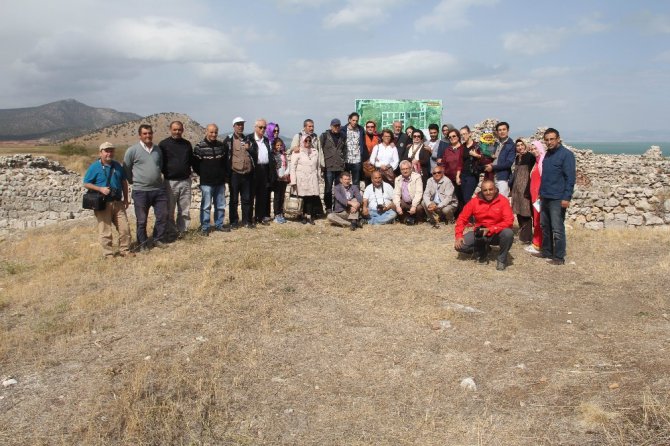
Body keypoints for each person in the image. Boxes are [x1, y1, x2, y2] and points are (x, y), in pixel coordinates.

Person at [123, 124, 169, 250]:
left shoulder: (157, 150)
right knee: (142, 220)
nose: (147, 135)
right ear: (140, 135)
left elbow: (160, 165)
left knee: (163, 215)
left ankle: (158, 238)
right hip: (140, 191)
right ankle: (142, 243)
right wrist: (132, 181)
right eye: (144, 133)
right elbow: (126, 168)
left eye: (149, 133)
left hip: (158, 189)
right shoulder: (132, 150)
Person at [83, 142, 132, 258]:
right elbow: (86, 183)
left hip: (118, 202)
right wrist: (100, 188)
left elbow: (124, 182)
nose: (109, 153)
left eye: (111, 151)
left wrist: (126, 198)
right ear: (100, 153)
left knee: (124, 228)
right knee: (105, 231)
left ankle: (125, 250)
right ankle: (108, 254)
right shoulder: (94, 167)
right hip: (103, 203)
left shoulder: (117, 166)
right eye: (106, 151)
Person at [454, 180, 514, 271]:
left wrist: (491, 229)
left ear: (495, 189)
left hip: (497, 233)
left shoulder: (503, 201)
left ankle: (501, 259)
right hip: (480, 234)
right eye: (485, 190)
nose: (488, 192)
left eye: (491, 189)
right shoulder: (474, 202)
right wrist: (458, 235)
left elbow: (509, 221)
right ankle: (482, 250)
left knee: (508, 233)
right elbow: (462, 218)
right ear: (481, 191)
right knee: (460, 246)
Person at [537, 128, 576, 265]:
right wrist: (540, 193)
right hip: (545, 196)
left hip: (557, 198)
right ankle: (547, 252)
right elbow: (545, 177)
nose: (549, 142)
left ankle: (559, 257)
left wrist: (566, 198)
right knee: (544, 226)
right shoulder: (547, 155)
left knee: (557, 228)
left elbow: (570, 178)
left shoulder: (566, 155)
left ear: (558, 139)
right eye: (547, 140)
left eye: (552, 139)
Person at [158, 121, 193, 239]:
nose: (177, 132)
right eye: (175, 129)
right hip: (170, 182)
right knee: (170, 209)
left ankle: (183, 231)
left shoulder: (187, 144)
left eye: (179, 130)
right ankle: (171, 232)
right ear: (170, 129)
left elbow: (191, 161)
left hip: (185, 181)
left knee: (184, 209)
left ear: (182, 130)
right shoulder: (163, 144)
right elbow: (160, 163)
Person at [193, 124, 229, 236]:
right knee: (206, 206)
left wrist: (223, 175)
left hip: (219, 182)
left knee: (220, 205)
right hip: (206, 182)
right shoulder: (199, 147)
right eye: (211, 132)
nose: (213, 134)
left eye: (215, 132)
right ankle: (205, 227)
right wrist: (204, 174)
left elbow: (224, 163)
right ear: (206, 132)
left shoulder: (221, 146)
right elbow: (195, 165)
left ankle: (219, 224)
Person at [223, 117, 255, 229]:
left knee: (247, 199)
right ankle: (234, 221)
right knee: (234, 200)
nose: (240, 126)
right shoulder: (229, 140)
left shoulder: (248, 139)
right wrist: (226, 175)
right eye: (238, 124)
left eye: (242, 124)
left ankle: (246, 221)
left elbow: (254, 153)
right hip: (235, 174)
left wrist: (249, 149)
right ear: (234, 126)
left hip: (247, 174)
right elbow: (225, 157)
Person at [249, 118, 276, 225]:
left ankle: (260, 217)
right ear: (255, 128)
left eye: (264, 127)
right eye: (260, 127)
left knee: (262, 195)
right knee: (251, 195)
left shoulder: (266, 140)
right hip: (253, 170)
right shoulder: (249, 139)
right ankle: (249, 218)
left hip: (264, 170)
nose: (263, 129)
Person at [290, 134, 320, 225]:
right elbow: (292, 167)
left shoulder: (315, 151)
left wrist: (318, 177)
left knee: (310, 197)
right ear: (302, 141)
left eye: (309, 141)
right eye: (305, 141)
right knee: (302, 197)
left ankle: (309, 216)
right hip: (301, 178)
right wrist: (293, 181)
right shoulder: (297, 152)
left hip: (312, 177)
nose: (307, 142)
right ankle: (302, 215)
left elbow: (318, 166)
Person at [510, 138, 535, 244]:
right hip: (516, 188)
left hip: (525, 188)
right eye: (518, 145)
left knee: (526, 212)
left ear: (525, 145)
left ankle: (527, 238)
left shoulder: (530, 157)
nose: (520, 147)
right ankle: (522, 234)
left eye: (522, 145)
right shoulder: (517, 157)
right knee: (519, 211)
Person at [319, 119, 347, 212]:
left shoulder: (343, 136)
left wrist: (344, 162)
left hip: (339, 166)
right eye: (335, 126)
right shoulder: (324, 136)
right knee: (328, 189)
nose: (337, 127)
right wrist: (322, 164)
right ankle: (328, 208)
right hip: (329, 166)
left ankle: (337, 208)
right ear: (331, 126)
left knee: (339, 189)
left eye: (338, 126)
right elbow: (320, 150)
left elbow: (345, 150)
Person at [484, 121, 515, 198]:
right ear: (497, 132)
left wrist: (493, 167)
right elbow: (487, 153)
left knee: (502, 200)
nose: (502, 132)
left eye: (504, 129)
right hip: (492, 176)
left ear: (508, 130)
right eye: (500, 130)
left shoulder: (511, 145)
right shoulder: (496, 144)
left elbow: (508, 163)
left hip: (503, 178)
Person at [526, 140, 546, 254]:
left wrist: (540, 195)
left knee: (538, 220)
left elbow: (544, 178)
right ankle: (537, 242)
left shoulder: (542, 161)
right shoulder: (537, 161)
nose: (534, 151)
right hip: (535, 196)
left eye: (535, 148)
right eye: (532, 149)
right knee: (537, 219)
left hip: (539, 196)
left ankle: (537, 244)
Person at [437, 128, 464, 211]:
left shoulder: (463, 148)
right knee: (452, 197)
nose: (452, 138)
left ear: (458, 137)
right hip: (449, 178)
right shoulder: (447, 150)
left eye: (454, 136)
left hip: (460, 177)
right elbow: (444, 164)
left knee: (461, 197)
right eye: (450, 137)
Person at [393, 160, 424, 225]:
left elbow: (419, 193)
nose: (405, 171)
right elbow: (396, 194)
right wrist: (398, 206)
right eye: (403, 169)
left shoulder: (417, 177)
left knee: (419, 208)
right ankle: (404, 220)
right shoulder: (398, 179)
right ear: (400, 170)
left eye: (406, 168)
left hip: (415, 202)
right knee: (394, 204)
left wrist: (414, 206)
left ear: (410, 169)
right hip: (405, 203)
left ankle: (420, 221)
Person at [342, 112, 366, 187]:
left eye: (356, 121)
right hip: (346, 159)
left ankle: (356, 197)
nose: (355, 122)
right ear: (349, 120)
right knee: (345, 180)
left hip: (357, 159)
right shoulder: (343, 129)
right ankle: (345, 197)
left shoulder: (360, 129)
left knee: (356, 181)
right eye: (353, 120)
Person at [459, 125, 480, 205]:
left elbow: (484, 159)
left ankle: (473, 216)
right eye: (461, 135)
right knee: (464, 198)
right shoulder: (462, 147)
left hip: (472, 175)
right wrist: (458, 175)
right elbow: (460, 162)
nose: (463, 136)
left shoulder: (477, 146)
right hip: (463, 175)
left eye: (464, 134)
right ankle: (469, 216)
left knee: (467, 197)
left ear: (470, 133)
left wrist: (476, 155)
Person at [271, 138, 290, 224]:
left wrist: (286, 173)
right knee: (277, 197)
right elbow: (274, 167)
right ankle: (276, 214)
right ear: (274, 146)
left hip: (284, 178)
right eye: (277, 145)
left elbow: (287, 165)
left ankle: (281, 212)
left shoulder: (284, 154)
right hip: (278, 178)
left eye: (280, 145)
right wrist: (278, 175)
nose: (279, 147)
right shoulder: (273, 155)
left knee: (282, 196)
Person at [362, 120, 380, 186]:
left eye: (372, 127)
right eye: (368, 127)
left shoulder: (378, 138)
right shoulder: (362, 137)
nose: (370, 128)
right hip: (365, 164)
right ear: (366, 128)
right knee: (367, 182)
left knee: (376, 182)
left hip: (376, 164)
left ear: (374, 128)